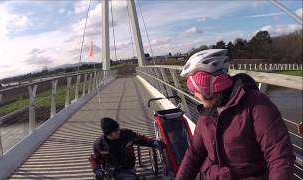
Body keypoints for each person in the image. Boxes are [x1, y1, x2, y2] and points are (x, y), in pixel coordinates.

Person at [176, 49, 295, 180]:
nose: (193, 93)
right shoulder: (207, 114)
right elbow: (194, 154)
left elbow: (280, 157)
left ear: (209, 86)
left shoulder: (257, 105)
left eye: (194, 88)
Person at [90, 117, 164, 180]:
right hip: (111, 171)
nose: (119, 131)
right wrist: (97, 170)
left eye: (118, 128)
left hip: (128, 168)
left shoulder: (127, 134)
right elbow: (94, 159)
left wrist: (153, 142)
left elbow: (141, 139)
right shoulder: (98, 145)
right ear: (109, 134)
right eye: (116, 130)